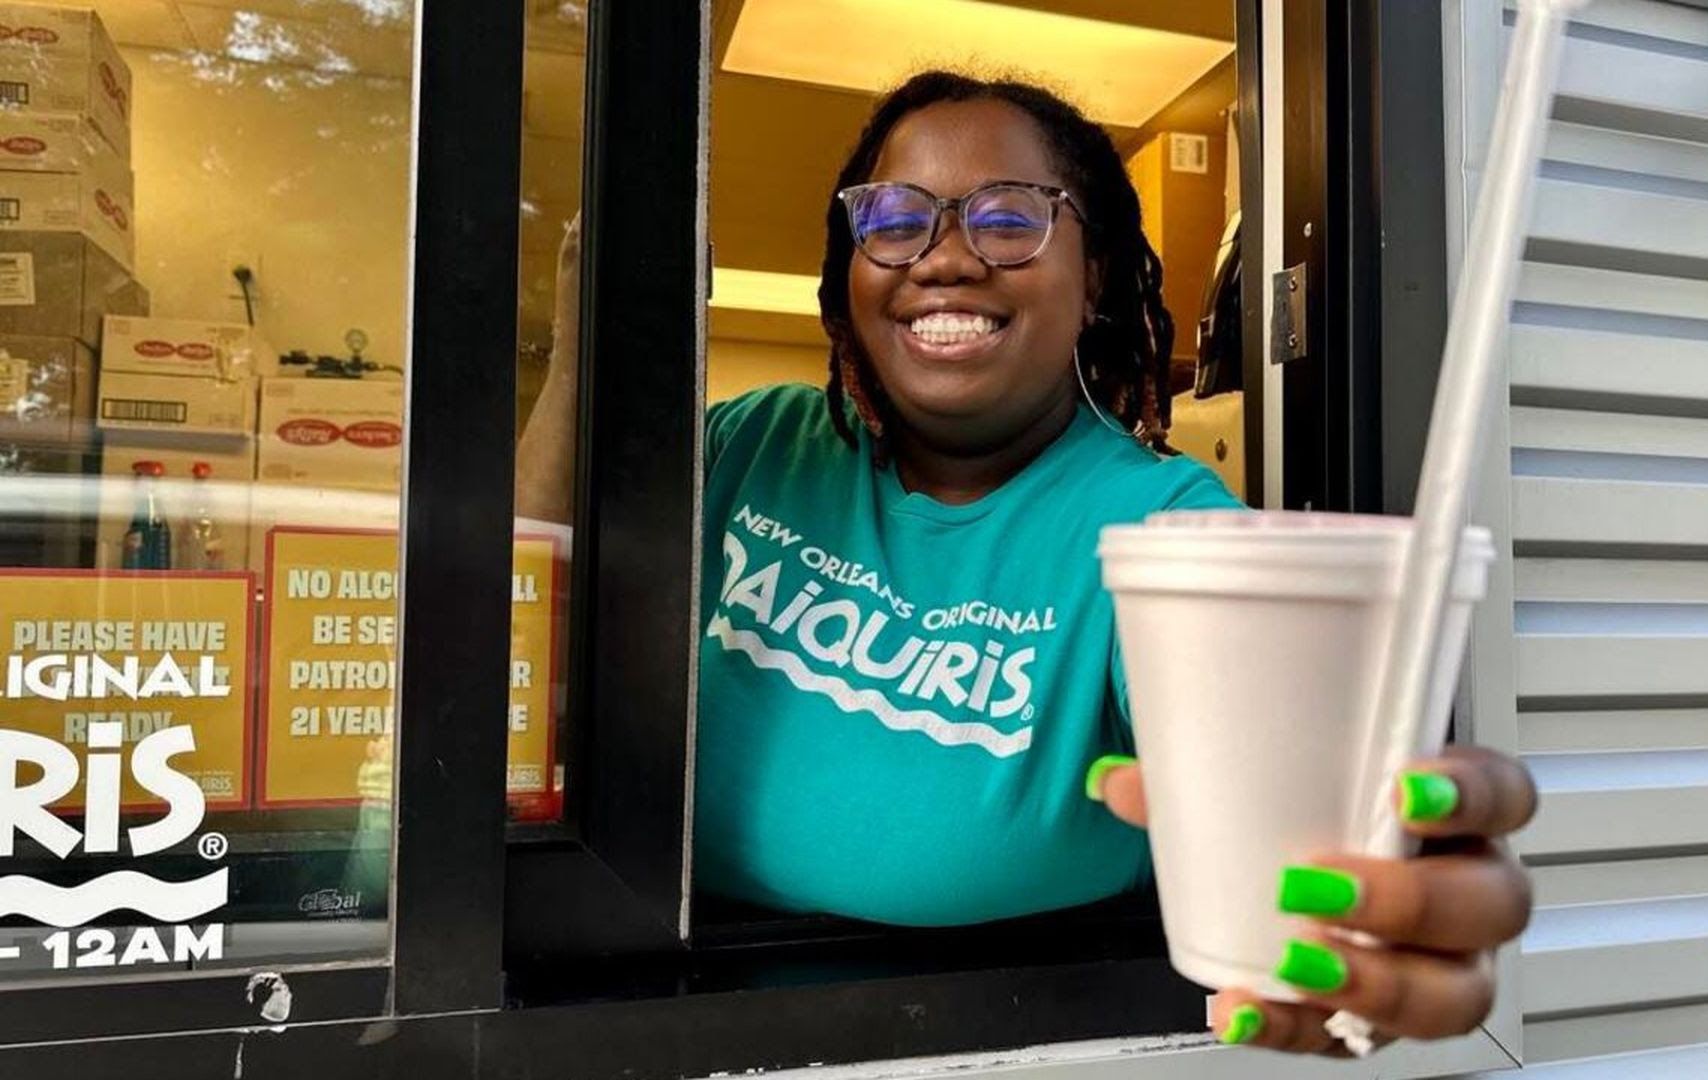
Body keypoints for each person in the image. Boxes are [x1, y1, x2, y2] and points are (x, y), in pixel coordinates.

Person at [518, 70, 1535, 1056]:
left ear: (1093, 276)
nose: (945, 259)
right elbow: (515, 635)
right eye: (894, 219)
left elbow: (1304, 828)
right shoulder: (749, 445)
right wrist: (587, 341)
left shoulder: (1165, 531)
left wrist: (1370, 905)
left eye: (1009, 219)